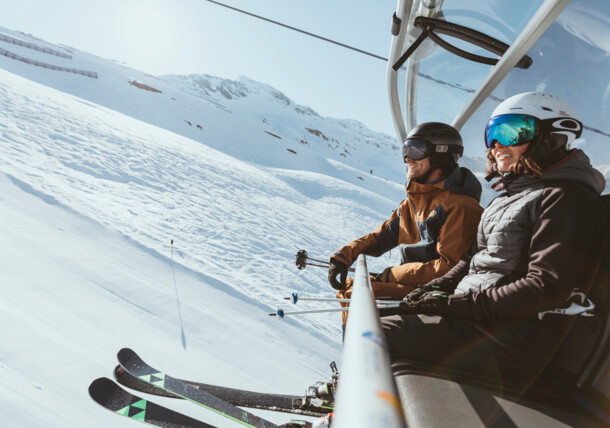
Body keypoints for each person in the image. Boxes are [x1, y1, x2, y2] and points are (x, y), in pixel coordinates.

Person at [382, 92, 606, 378]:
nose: (498, 144)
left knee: (374, 334)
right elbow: (474, 257)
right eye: (492, 133)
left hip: (512, 338)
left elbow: (545, 287)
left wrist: (455, 306)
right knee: (375, 316)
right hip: (479, 318)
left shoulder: (567, 198)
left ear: (552, 138)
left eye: (513, 131)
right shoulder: (509, 195)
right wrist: (439, 287)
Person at [328, 122, 484, 327]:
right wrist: (344, 255)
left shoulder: (460, 206)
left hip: (435, 292)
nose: (407, 158)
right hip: (411, 283)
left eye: (415, 150)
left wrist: (390, 275)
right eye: (405, 150)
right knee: (354, 290)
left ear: (440, 155)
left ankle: (368, 354)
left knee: (361, 292)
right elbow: (382, 235)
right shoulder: (415, 199)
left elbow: (448, 267)